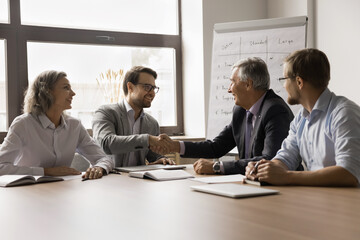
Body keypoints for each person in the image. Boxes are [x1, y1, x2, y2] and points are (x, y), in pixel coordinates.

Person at [155, 57, 298, 175]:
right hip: (251, 183)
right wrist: (175, 146)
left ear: (248, 84)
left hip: (280, 188)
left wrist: (217, 167)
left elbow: (269, 159)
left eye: (232, 82)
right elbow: (216, 147)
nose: (229, 89)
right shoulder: (240, 111)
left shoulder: (275, 110)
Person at [246, 48, 360, 187]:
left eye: (284, 79)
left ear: (299, 82)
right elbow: (285, 158)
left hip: (347, 204)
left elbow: (349, 173)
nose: (284, 86)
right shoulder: (300, 118)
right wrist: (263, 169)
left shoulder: (344, 113)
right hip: (317, 200)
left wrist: (287, 176)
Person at [0, 70, 114, 179]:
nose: (73, 93)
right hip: (28, 191)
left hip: (63, 191)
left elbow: (103, 159)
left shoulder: (75, 125)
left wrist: (99, 167)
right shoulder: (23, 124)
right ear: (47, 91)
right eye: (66, 88)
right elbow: (1, 167)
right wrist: (45, 172)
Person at [92, 66, 174, 167]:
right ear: (130, 87)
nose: (152, 93)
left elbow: (153, 156)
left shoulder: (152, 123)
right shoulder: (105, 112)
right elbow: (106, 144)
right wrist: (147, 140)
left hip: (139, 180)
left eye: (154, 88)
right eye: (147, 87)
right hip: (109, 178)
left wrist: (161, 159)